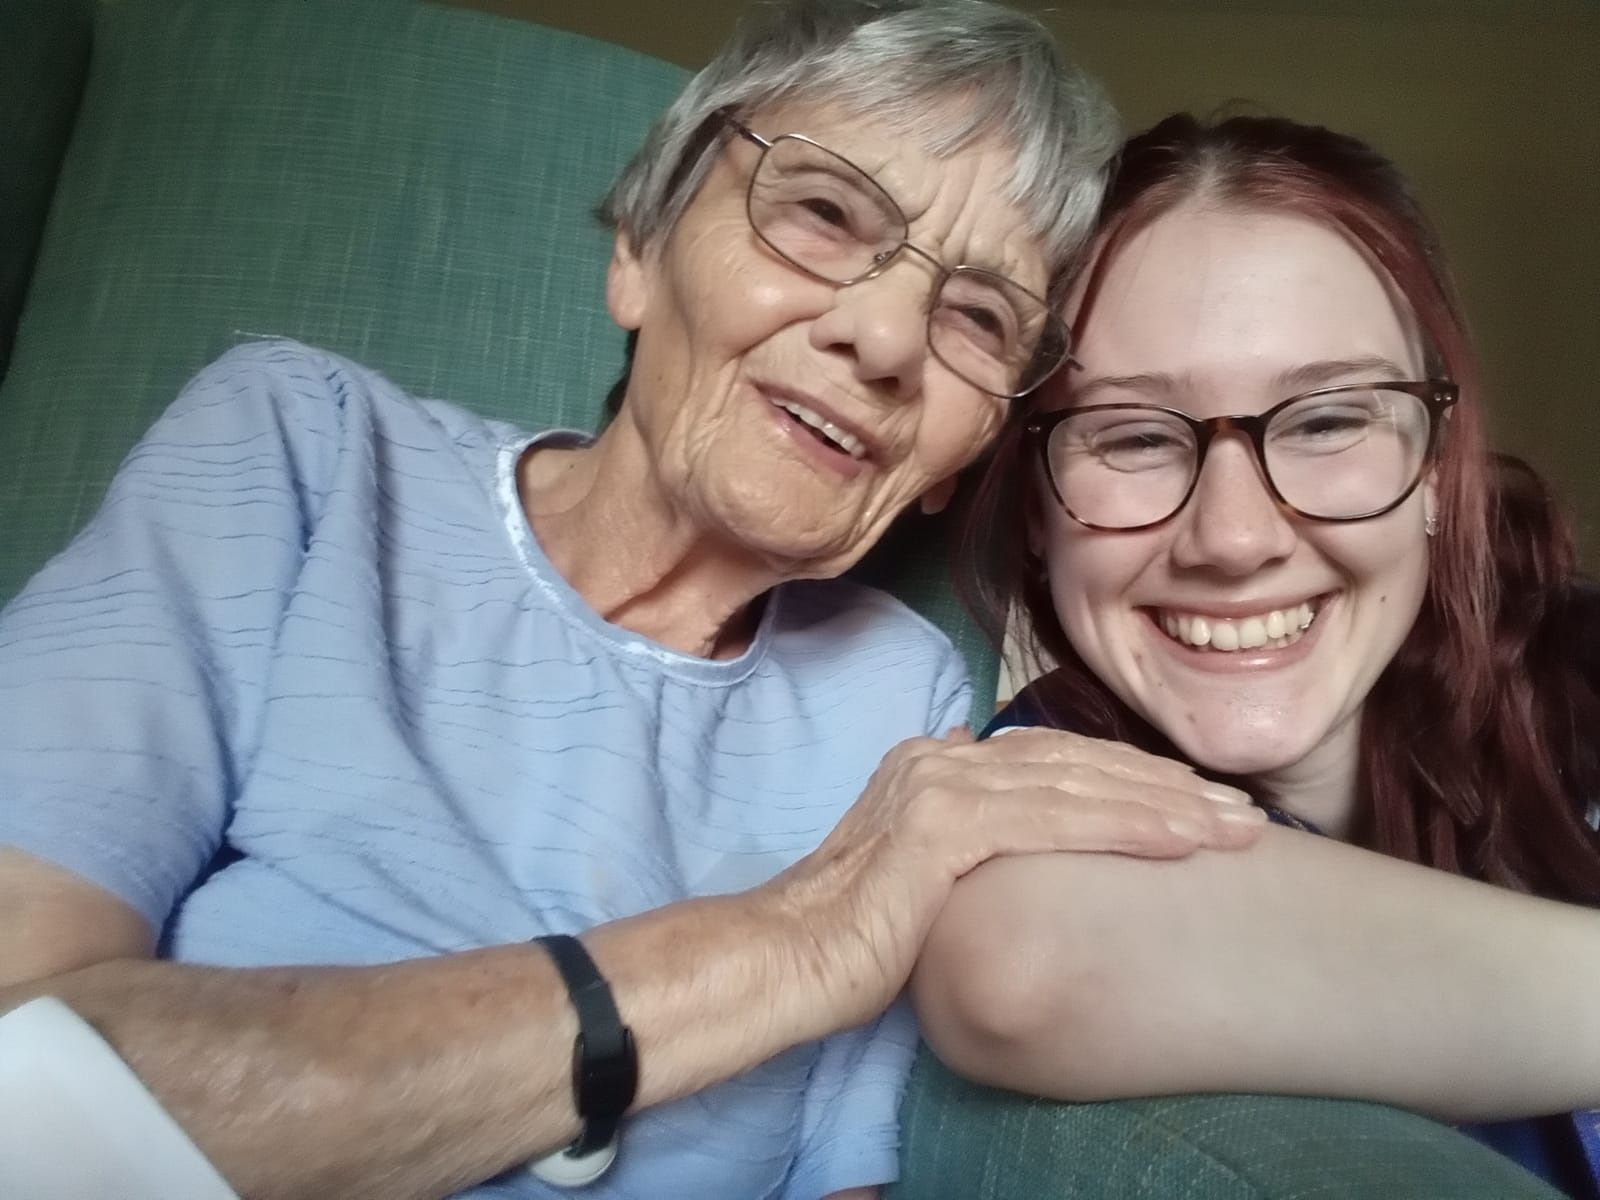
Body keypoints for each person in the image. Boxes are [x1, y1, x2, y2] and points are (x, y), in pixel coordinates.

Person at [0, 6, 1271, 1200]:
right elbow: (23, 1078)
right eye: (823, 211)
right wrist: (789, 941)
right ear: (640, 250)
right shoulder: (302, 457)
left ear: (963, 463)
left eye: (979, 319)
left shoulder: (903, 702)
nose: (884, 342)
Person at [913, 112, 1600, 1198]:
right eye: (1134, 436)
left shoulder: (1578, 667)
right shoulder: (1050, 771)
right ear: (1036, 507)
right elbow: (1022, 964)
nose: (1234, 539)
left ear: (1431, 467)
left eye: (1326, 422)